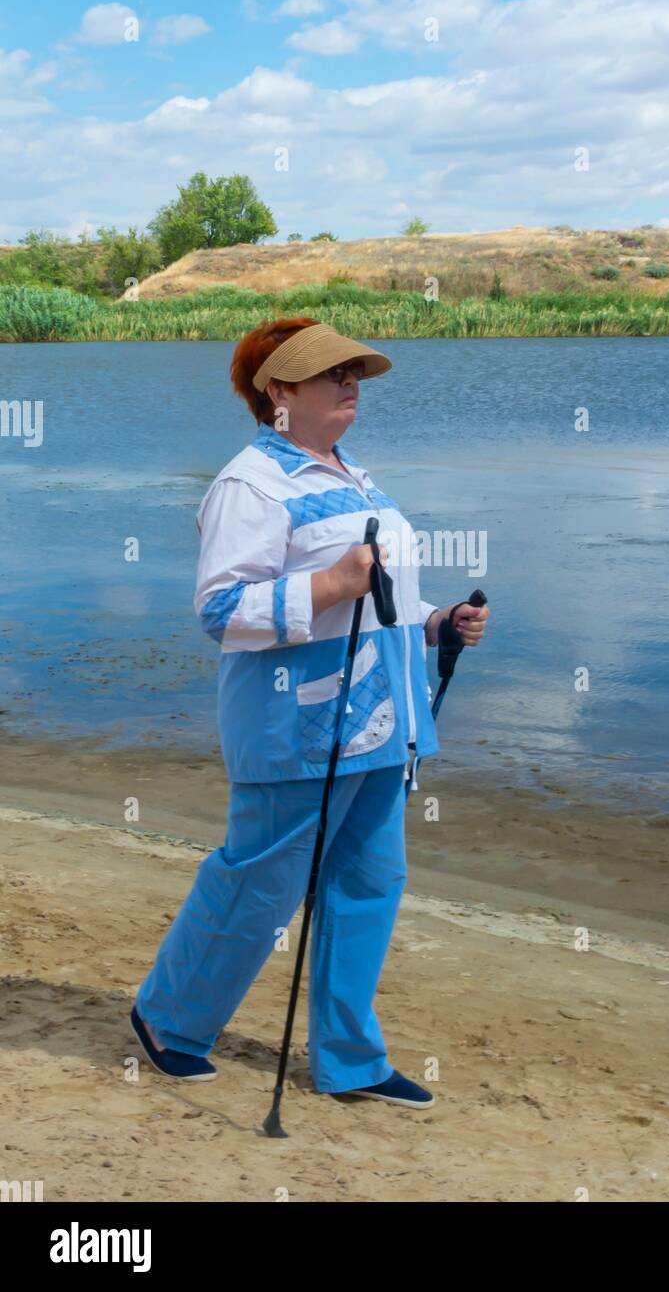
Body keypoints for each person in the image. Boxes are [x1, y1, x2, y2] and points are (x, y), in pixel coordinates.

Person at [131, 316, 489, 1108]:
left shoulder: (355, 474)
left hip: (384, 723)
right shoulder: (250, 484)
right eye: (332, 373)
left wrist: (435, 623)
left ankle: (350, 1061)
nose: (351, 383)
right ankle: (169, 1021)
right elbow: (222, 611)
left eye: (354, 371)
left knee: (370, 884)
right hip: (297, 726)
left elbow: (382, 595)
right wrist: (330, 585)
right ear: (279, 392)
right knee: (259, 884)